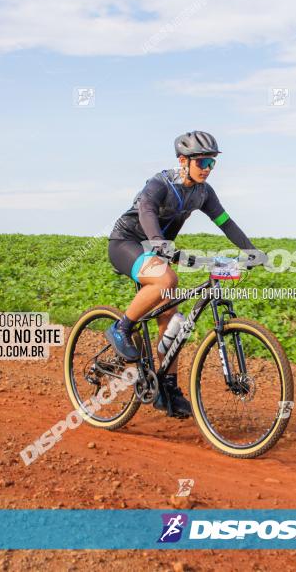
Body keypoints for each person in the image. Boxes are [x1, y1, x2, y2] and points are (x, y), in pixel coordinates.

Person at [106, 131, 261, 418]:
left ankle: (168, 390)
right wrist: (157, 242)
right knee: (168, 280)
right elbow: (147, 210)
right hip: (126, 243)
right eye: (201, 161)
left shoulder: (204, 193)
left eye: (211, 164)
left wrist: (251, 250)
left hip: (156, 251)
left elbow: (226, 222)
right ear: (183, 160)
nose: (206, 168)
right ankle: (121, 328)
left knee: (172, 319)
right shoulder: (160, 182)